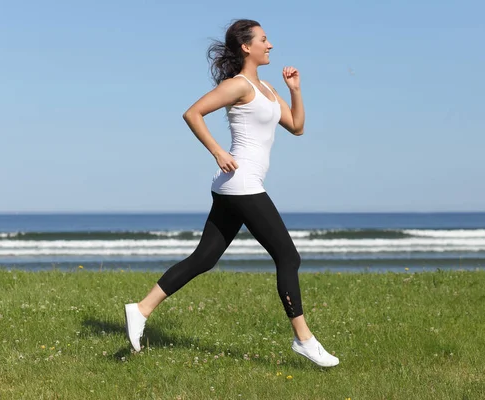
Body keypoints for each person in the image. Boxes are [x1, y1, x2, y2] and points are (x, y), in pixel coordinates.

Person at [124, 19, 339, 367]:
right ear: (246, 47)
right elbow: (192, 113)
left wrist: (295, 89)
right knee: (288, 256)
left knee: (204, 259)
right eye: (264, 40)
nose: (270, 45)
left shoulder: (266, 88)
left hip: (236, 186)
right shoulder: (237, 86)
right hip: (242, 184)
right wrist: (218, 151)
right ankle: (304, 339)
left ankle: (141, 308)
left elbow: (297, 127)